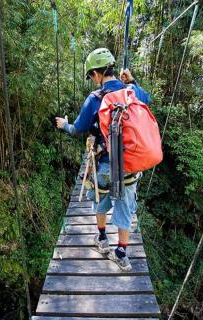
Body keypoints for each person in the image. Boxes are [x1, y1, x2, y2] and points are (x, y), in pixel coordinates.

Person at [55, 48, 150, 271]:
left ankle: (102, 239)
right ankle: (122, 254)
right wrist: (132, 81)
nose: (92, 80)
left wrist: (64, 125)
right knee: (125, 205)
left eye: (91, 76)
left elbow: (78, 129)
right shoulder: (132, 90)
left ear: (97, 74)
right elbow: (148, 100)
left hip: (105, 163)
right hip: (132, 163)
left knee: (99, 197)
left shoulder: (96, 97)